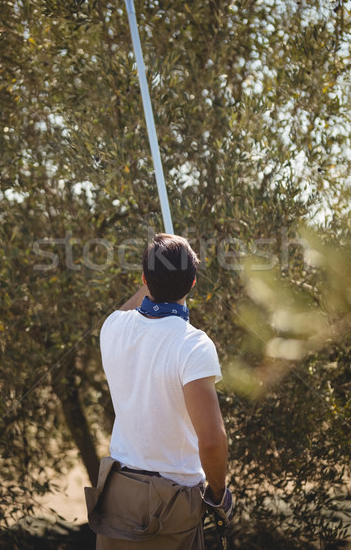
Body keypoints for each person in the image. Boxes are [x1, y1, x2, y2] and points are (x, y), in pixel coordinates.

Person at [85, 233, 232, 550]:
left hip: (117, 494)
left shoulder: (112, 328)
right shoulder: (193, 345)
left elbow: (132, 307)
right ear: (193, 284)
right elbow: (211, 439)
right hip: (172, 503)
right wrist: (219, 496)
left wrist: (157, 270)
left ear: (143, 279)